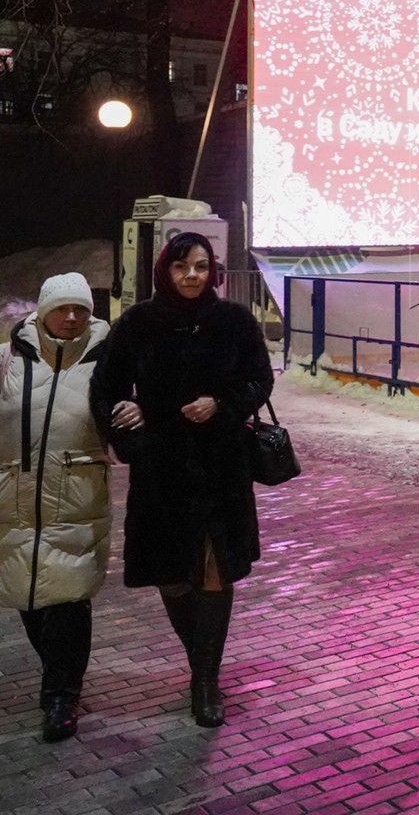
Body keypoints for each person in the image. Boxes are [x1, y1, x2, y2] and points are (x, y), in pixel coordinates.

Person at [89, 232, 274, 728]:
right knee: (170, 574)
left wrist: (224, 403)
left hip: (220, 470)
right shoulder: (138, 323)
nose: (191, 275)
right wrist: (127, 428)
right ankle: (203, 662)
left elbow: (260, 379)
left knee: (215, 570)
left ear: (212, 270)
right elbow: (104, 386)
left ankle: (205, 681)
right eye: (181, 267)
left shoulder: (234, 321)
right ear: (164, 271)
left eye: (200, 266)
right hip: (161, 471)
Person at [1, 274, 112, 742]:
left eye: (81, 310)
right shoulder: (8, 360)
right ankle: (58, 677)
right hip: (14, 497)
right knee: (28, 593)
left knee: (67, 596)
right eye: (62, 308)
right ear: (42, 310)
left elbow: (135, 407)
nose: (71, 317)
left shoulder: (106, 361)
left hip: (77, 497)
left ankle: (63, 694)